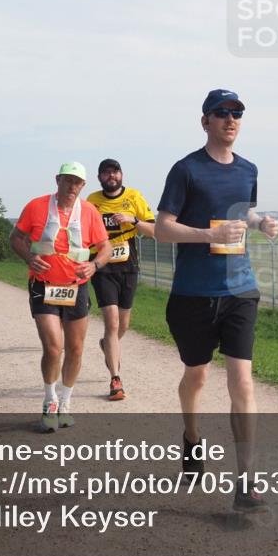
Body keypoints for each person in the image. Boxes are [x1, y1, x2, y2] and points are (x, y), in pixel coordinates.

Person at [155, 89, 278, 511]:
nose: (231, 119)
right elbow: (163, 228)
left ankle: (246, 480)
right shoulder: (185, 170)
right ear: (204, 120)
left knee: (242, 381)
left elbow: (239, 211)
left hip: (239, 289)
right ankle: (191, 437)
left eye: (238, 113)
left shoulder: (248, 170)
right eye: (222, 113)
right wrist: (209, 235)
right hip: (193, 293)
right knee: (197, 377)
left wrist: (260, 221)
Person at [10, 162, 112, 432]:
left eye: (77, 182)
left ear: (83, 186)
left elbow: (106, 247)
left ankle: (66, 401)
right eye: (67, 180)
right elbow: (16, 238)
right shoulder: (36, 206)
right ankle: (50, 401)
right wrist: (30, 258)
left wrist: (95, 265)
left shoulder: (89, 211)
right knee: (54, 347)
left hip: (76, 287)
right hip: (43, 285)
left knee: (76, 349)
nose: (71, 186)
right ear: (57, 180)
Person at [86, 159, 156, 400]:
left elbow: (154, 230)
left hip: (128, 266)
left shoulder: (134, 197)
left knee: (123, 325)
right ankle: (115, 379)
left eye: (115, 172)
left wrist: (133, 220)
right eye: (106, 173)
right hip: (103, 267)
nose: (111, 176)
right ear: (99, 178)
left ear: (121, 174)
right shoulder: (91, 202)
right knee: (112, 323)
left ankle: (108, 345)